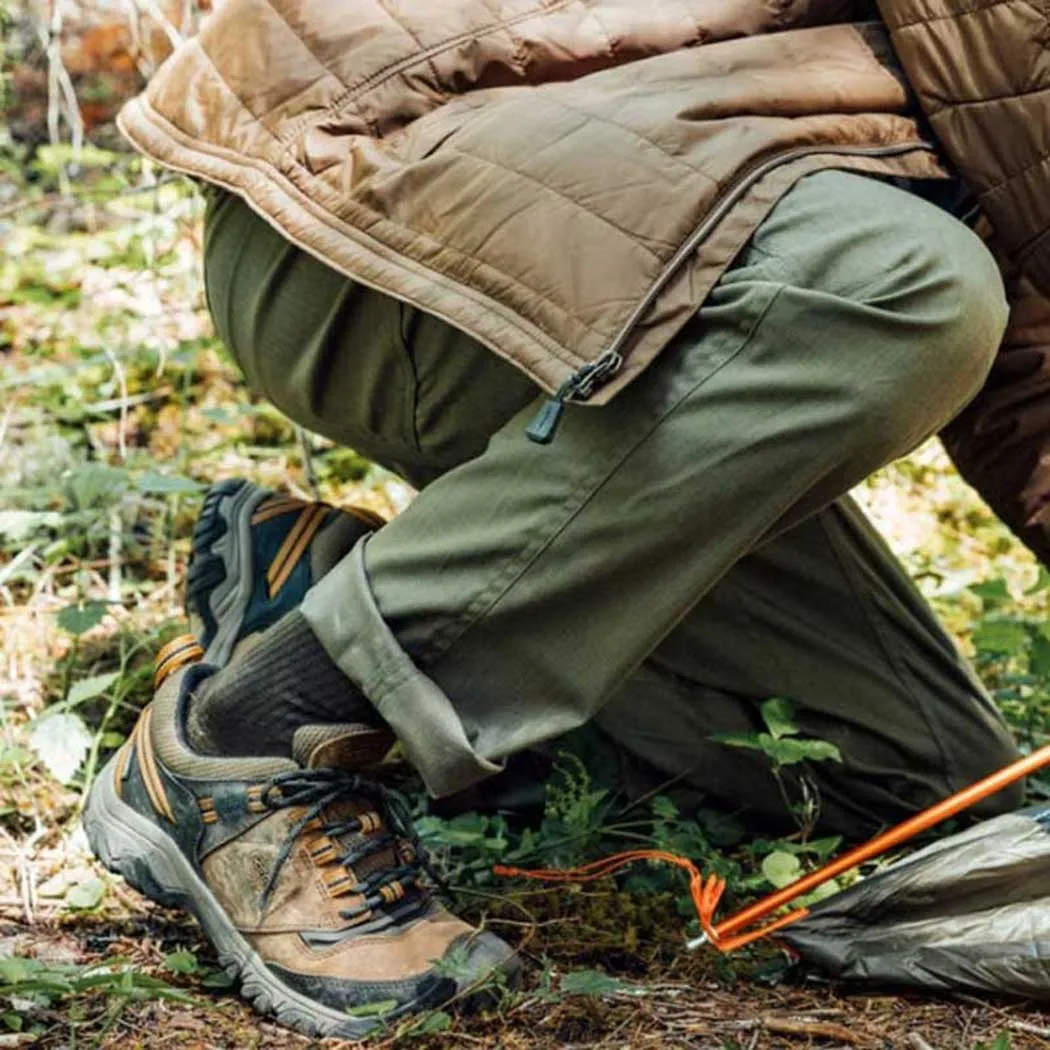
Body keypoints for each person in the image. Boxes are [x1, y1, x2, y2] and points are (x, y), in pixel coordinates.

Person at [82, 0, 1050, 1038]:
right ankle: (261, 734)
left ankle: (338, 594)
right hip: (363, 204)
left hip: (632, 258)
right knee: (903, 290)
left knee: (947, 808)